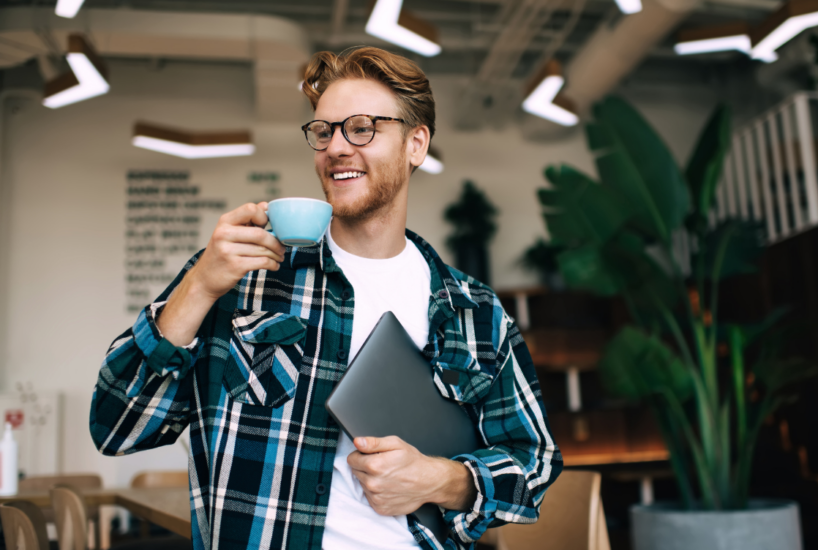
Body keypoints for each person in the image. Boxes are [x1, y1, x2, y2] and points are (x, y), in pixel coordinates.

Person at [90, 46, 562, 550]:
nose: (336, 147)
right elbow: (117, 427)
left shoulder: (476, 312)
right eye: (323, 131)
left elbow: (535, 462)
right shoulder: (239, 277)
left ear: (416, 143)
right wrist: (200, 285)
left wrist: (441, 479)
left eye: (361, 128)